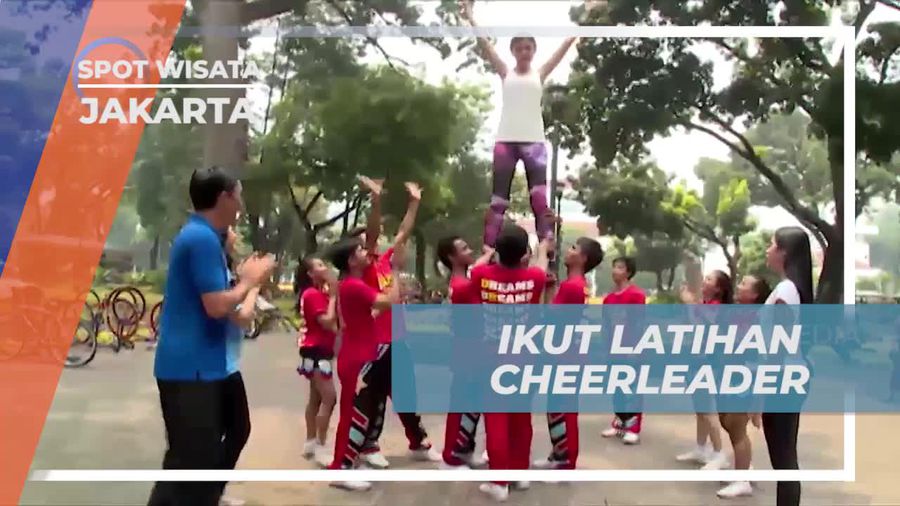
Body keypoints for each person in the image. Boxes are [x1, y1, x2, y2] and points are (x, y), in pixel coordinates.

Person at [149, 167, 275, 506]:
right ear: (224, 198)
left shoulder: (207, 239)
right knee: (189, 460)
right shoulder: (200, 239)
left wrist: (249, 284)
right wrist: (250, 281)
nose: (241, 205)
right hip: (189, 368)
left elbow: (233, 311)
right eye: (238, 196)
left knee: (233, 430)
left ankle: (208, 496)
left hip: (210, 364)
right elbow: (218, 306)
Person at [459, 0, 577, 249]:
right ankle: (489, 248)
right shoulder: (506, 73)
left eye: (528, 48)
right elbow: (484, 42)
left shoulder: (540, 74)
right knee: (498, 201)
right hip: (506, 141)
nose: (524, 52)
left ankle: (546, 247)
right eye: (520, 48)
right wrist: (470, 15)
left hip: (534, 143)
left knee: (539, 199)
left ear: (534, 51)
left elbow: (567, 42)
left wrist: (586, 14)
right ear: (513, 51)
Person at [351, 176, 440, 468]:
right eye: (365, 243)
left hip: (398, 339)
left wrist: (414, 203)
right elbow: (373, 233)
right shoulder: (364, 269)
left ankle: (418, 442)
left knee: (406, 393)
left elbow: (403, 232)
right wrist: (376, 200)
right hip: (376, 343)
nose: (373, 243)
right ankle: (368, 446)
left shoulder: (387, 262)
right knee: (374, 395)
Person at [469, 224, 551, 501]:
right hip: (525, 358)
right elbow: (541, 263)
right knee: (520, 418)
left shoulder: (481, 275)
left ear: (498, 251)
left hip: (492, 357)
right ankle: (519, 473)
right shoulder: (534, 278)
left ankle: (499, 481)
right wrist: (543, 247)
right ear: (524, 253)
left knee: (496, 420)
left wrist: (489, 252)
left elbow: (476, 266)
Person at [326, 237, 401, 491]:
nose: (365, 252)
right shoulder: (353, 286)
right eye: (360, 250)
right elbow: (389, 301)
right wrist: (395, 272)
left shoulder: (351, 285)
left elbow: (369, 312)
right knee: (353, 415)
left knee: (359, 414)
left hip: (359, 354)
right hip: (357, 359)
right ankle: (340, 468)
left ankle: (349, 461)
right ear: (351, 260)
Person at [533, 237, 603, 471]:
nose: (568, 250)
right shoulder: (577, 284)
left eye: (574, 248)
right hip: (569, 353)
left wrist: (545, 290)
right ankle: (560, 454)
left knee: (562, 408)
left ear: (582, 258)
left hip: (564, 356)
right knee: (560, 407)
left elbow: (549, 316)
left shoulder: (573, 287)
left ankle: (565, 460)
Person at [763, 226, 813, 506]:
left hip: (782, 377)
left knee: (784, 459)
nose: (767, 250)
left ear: (784, 252)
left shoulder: (786, 290)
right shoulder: (791, 289)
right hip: (789, 376)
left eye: (771, 244)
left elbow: (779, 344)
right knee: (784, 459)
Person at [435, 235, 494, 470]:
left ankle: (464, 450)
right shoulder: (462, 286)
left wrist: (487, 255)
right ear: (452, 257)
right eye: (464, 248)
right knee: (462, 405)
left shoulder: (462, 282)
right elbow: (479, 273)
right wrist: (490, 254)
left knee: (472, 404)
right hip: (468, 350)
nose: (470, 251)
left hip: (472, 349)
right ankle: (451, 458)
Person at [715, 274, 771, 499]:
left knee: (737, 425)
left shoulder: (761, 317)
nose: (739, 286)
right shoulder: (736, 312)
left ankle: (742, 481)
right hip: (728, 374)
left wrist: (759, 394)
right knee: (727, 421)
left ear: (755, 294)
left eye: (744, 284)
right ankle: (745, 467)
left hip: (747, 375)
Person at [675, 270, 732, 471]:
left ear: (718, 289)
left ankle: (719, 453)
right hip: (695, 359)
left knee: (707, 410)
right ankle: (701, 448)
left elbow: (703, 326)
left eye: (709, 279)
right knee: (700, 408)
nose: (704, 281)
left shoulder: (717, 308)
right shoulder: (704, 305)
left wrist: (690, 304)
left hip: (708, 362)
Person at [295, 256, 339, 465]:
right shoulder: (312, 294)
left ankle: (310, 442)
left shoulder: (317, 293)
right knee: (329, 398)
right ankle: (321, 445)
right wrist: (333, 297)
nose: (325, 267)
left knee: (316, 399)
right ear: (310, 274)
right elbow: (327, 321)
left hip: (317, 350)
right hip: (316, 351)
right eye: (320, 265)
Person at [600, 257, 647, 445]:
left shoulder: (636, 295)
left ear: (628, 272)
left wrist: (636, 348)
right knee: (616, 387)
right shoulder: (608, 299)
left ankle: (633, 428)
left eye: (620, 267)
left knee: (632, 389)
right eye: (614, 267)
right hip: (614, 350)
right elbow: (606, 326)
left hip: (631, 350)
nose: (615, 271)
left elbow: (640, 323)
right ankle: (619, 423)